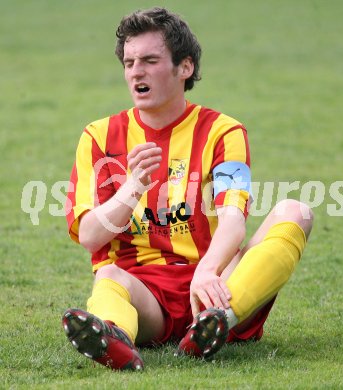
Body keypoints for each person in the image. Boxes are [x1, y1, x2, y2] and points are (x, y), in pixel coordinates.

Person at [62, 7, 313, 371]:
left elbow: (233, 220)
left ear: (185, 67)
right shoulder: (99, 137)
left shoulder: (224, 132)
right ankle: (114, 337)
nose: (136, 71)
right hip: (144, 296)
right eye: (129, 62)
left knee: (297, 211)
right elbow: (89, 235)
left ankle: (217, 321)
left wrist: (207, 271)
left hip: (216, 284)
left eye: (149, 60)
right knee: (109, 275)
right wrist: (132, 188)